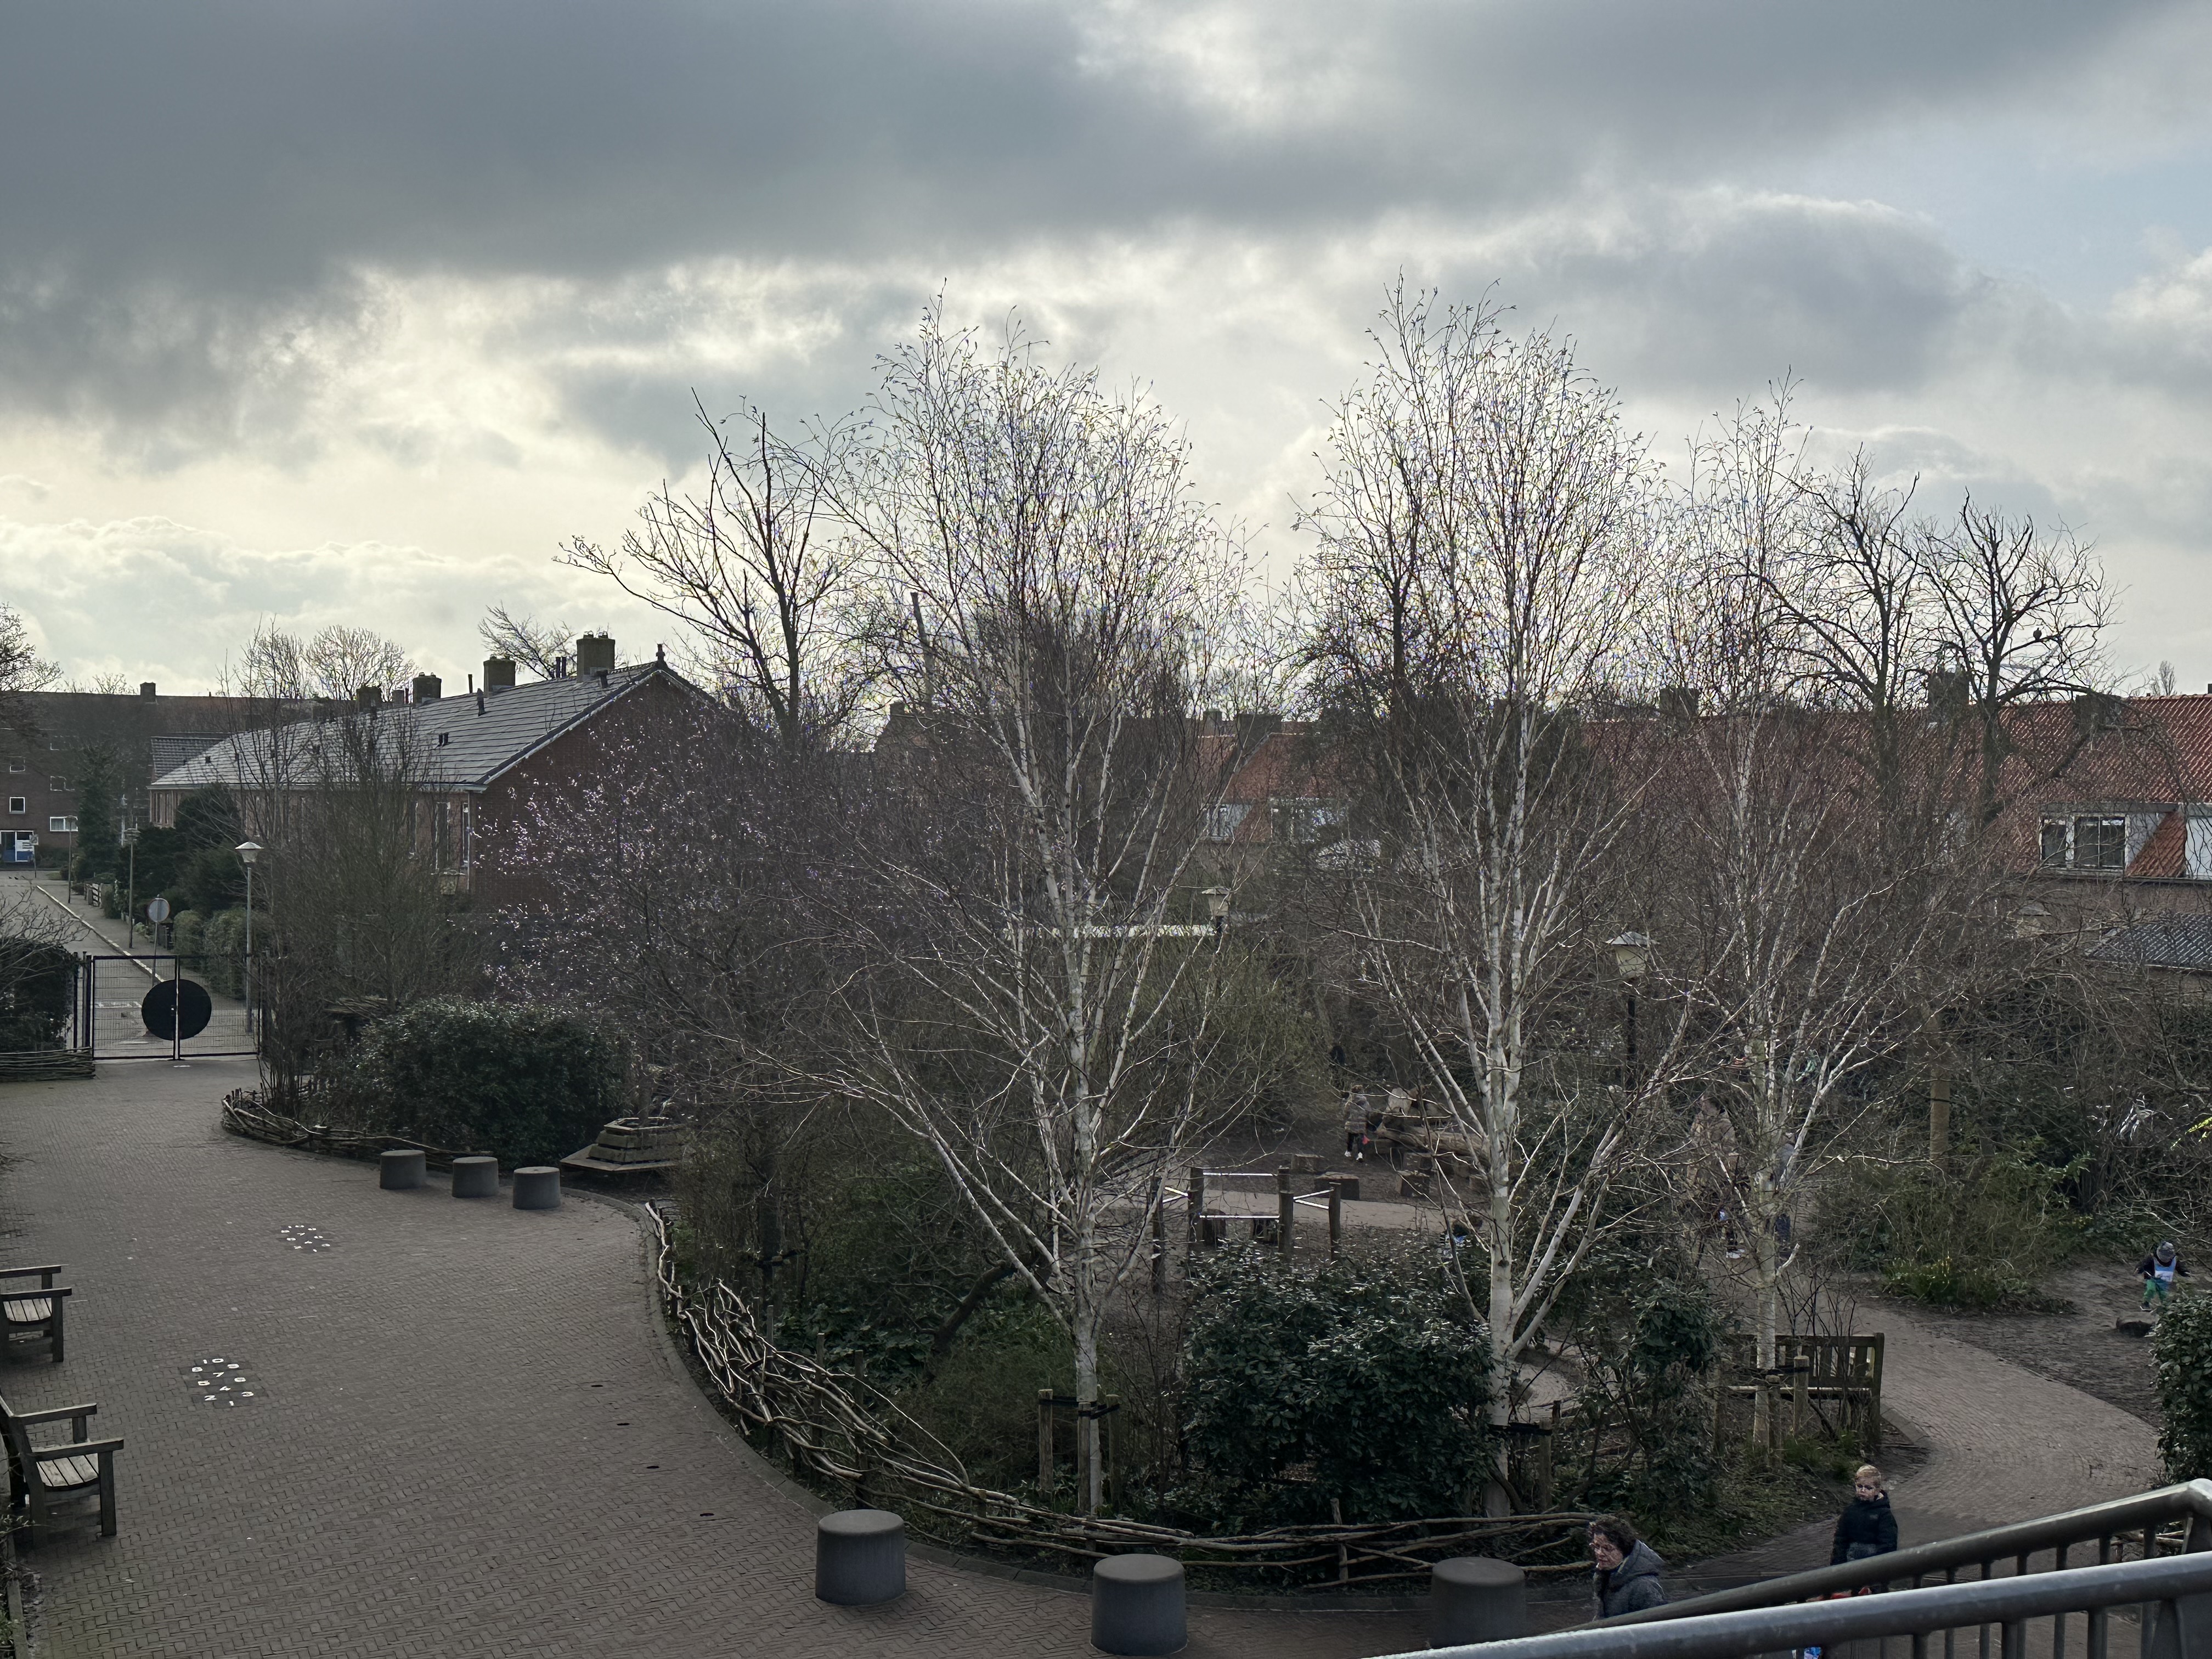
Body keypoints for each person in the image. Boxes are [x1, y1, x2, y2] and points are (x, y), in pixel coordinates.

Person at [1589, 1515, 1668, 1618]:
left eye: (1607, 1548)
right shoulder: (1603, 1575)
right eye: (1596, 1547)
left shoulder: (1644, 1586)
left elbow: (1659, 1627)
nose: (1599, 1553)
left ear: (1624, 1549)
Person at [1830, 1464, 1899, 1567]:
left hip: (1873, 1564)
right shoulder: (1850, 1511)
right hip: (1849, 1562)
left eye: (1868, 1488)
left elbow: (1888, 1545)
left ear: (1877, 1490)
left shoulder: (1884, 1514)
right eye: (1859, 1486)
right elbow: (1840, 1540)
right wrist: (1837, 1565)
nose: (1863, 1490)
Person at [2139, 1242, 2189, 1310]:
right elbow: (2143, 1264)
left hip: (2164, 1281)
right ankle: (2145, 1303)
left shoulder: (2174, 1260)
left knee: (2164, 1295)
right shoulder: (2152, 1257)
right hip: (2152, 1278)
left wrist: (2184, 1272)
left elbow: (2179, 1267)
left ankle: (2166, 1308)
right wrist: (2140, 1269)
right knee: (2151, 1290)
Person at [1343, 1088, 1372, 1160]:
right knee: (1360, 1139)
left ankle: (1349, 1152)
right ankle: (1360, 1154)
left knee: (1351, 1138)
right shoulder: (1365, 1102)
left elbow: (1346, 1111)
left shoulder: (1350, 1102)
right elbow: (1369, 1112)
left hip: (1352, 1123)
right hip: (1361, 1124)